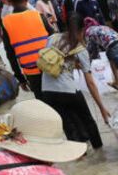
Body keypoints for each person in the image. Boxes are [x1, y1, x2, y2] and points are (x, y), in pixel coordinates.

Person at [41, 14, 110, 149]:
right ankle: (100, 154)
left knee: (68, 125)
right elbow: (90, 83)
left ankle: (80, 157)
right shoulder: (80, 49)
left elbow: (54, 60)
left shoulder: (52, 38)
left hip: (47, 91)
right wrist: (102, 108)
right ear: (82, 30)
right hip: (68, 90)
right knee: (88, 121)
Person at [1, 0, 53, 98]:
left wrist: (20, 79)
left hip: (32, 73)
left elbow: (10, 54)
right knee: (59, 102)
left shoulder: (6, 22)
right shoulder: (38, 16)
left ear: (9, 2)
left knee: (44, 105)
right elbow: (55, 39)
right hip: (51, 66)